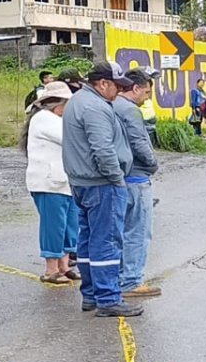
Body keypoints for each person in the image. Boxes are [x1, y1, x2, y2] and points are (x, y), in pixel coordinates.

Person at [62, 61, 141, 317]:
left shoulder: (77, 101)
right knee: (106, 241)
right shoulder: (95, 107)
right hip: (101, 184)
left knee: (87, 241)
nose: (118, 91)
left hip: (82, 182)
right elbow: (103, 150)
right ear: (102, 83)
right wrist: (117, 179)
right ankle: (107, 298)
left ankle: (92, 295)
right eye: (116, 86)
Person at [23, 81, 78, 284]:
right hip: (48, 182)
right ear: (57, 103)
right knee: (53, 226)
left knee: (69, 225)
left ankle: (64, 266)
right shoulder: (44, 118)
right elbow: (71, 138)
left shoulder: (54, 118)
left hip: (63, 182)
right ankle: (51, 269)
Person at [115, 68, 161, 300]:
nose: (147, 97)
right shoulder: (130, 111)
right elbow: (139, 142)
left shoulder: (111, 106)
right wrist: (153, 163)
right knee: (138, 231)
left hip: (120, 177)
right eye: (146, 91)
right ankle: (131, 280)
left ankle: (120, 276)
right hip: (136, 177)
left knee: (122, 231)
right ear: (135, 88)